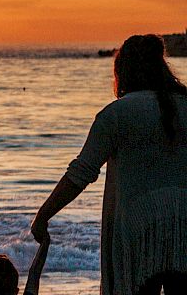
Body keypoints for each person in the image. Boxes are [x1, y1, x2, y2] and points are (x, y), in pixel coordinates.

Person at [30, 34, 187, 294]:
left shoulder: (116, 115)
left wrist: (43, 215)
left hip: (137, 229)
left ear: (122, 71)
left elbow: (80, 174)